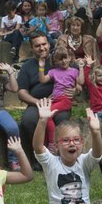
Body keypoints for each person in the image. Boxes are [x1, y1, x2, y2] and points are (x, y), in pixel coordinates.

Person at [16, 33, 73, 165]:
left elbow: (77, 80)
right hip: (37, 103)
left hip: (60, 101)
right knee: (28, 120)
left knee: (61, 119)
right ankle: (39, 155)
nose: (42, 48)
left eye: (44, 44)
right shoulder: (27, 66)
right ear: (32, 48)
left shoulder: (59, 58)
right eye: (37, 46)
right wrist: (38, 102)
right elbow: (22, 93)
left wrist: (76, 90)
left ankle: (60, 156)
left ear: (48, 44)